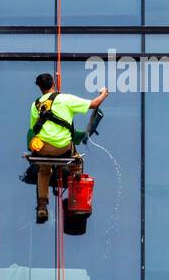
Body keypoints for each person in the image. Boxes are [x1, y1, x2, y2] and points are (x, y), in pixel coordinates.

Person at [27, 72, 109, 224]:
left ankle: (42, 205)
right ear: (54, 83)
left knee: (44, 170)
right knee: (76, 163)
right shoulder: (65, 99)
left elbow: (34, 129)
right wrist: (104, 93)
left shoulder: (35, 104)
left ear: (40, 88)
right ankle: (76, 199)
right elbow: (94, 104)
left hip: (43, 149)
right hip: (62, 148)